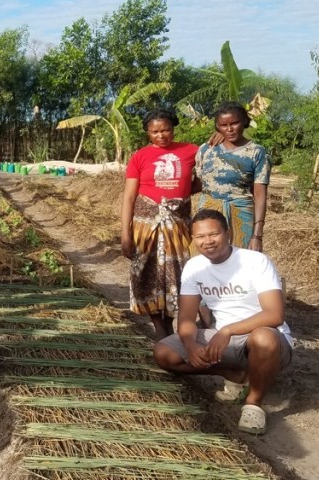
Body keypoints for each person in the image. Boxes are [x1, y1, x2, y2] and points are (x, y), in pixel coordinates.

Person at [153, 209, 293, 435]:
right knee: (164, 353)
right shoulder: (194, 267)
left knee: (263, 337)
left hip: (265, 338)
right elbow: (187, 317)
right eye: (200, 237)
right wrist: (190, 345)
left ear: (228, 233)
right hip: (224, 340)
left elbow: (275, 315)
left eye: (213, 234)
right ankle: (236, 375)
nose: (207, 241)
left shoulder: (255, 261)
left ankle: (254, 404)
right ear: (193, 239)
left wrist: (227, 330)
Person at [121, 109, 198, 337]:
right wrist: (125, 234)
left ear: (173, 128)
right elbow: (129, 197)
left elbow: (204, 174)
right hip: (145, 225)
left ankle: (170, 321)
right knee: (147, 272)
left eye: (165, 130)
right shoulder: (139, 157)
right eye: (155, 131)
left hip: (178, 223)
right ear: (147, 132)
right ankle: (159, 326)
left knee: (177, 272)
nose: (161, 135)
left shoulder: (191, 151)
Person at [196, 102, 271, 251]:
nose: (229, 129)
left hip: (241, 214)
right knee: (206, 261)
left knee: (241, 261)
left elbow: (260, 194)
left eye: (235, 123)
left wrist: (257, 235)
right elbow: (199, 182)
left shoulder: (257, 152)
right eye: (223, 125)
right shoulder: (206, 149)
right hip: (208, 213)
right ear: (217, 126)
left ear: (244, 121)